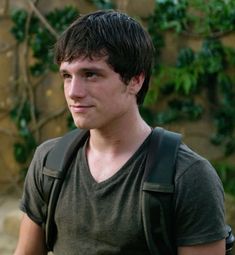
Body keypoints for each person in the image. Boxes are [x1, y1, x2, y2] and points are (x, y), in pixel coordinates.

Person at [14, 9, 226, 255]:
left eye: (90, 74)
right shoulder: (49, 162)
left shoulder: (187, 176)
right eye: (66, 76)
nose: (73, 91)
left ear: (135, 80)